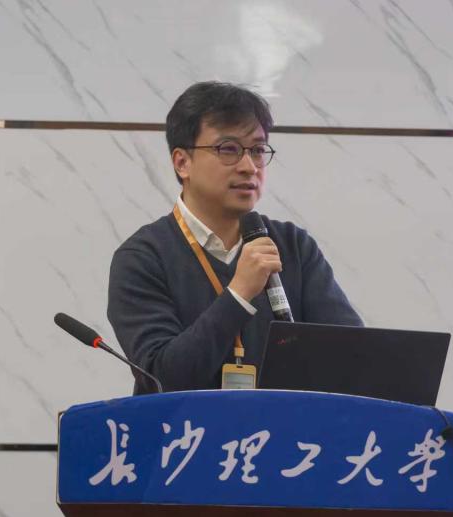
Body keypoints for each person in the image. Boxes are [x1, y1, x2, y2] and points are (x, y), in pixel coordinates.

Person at [107, 81, 362, 393]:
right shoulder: (143, 257)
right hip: (187, 425)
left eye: (257, 150)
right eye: (228, 149)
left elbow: (352, 359)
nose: (249, 167)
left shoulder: (293, 245)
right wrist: (239, 294)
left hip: (282, 424)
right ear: (182, 162)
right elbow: (162, 379)